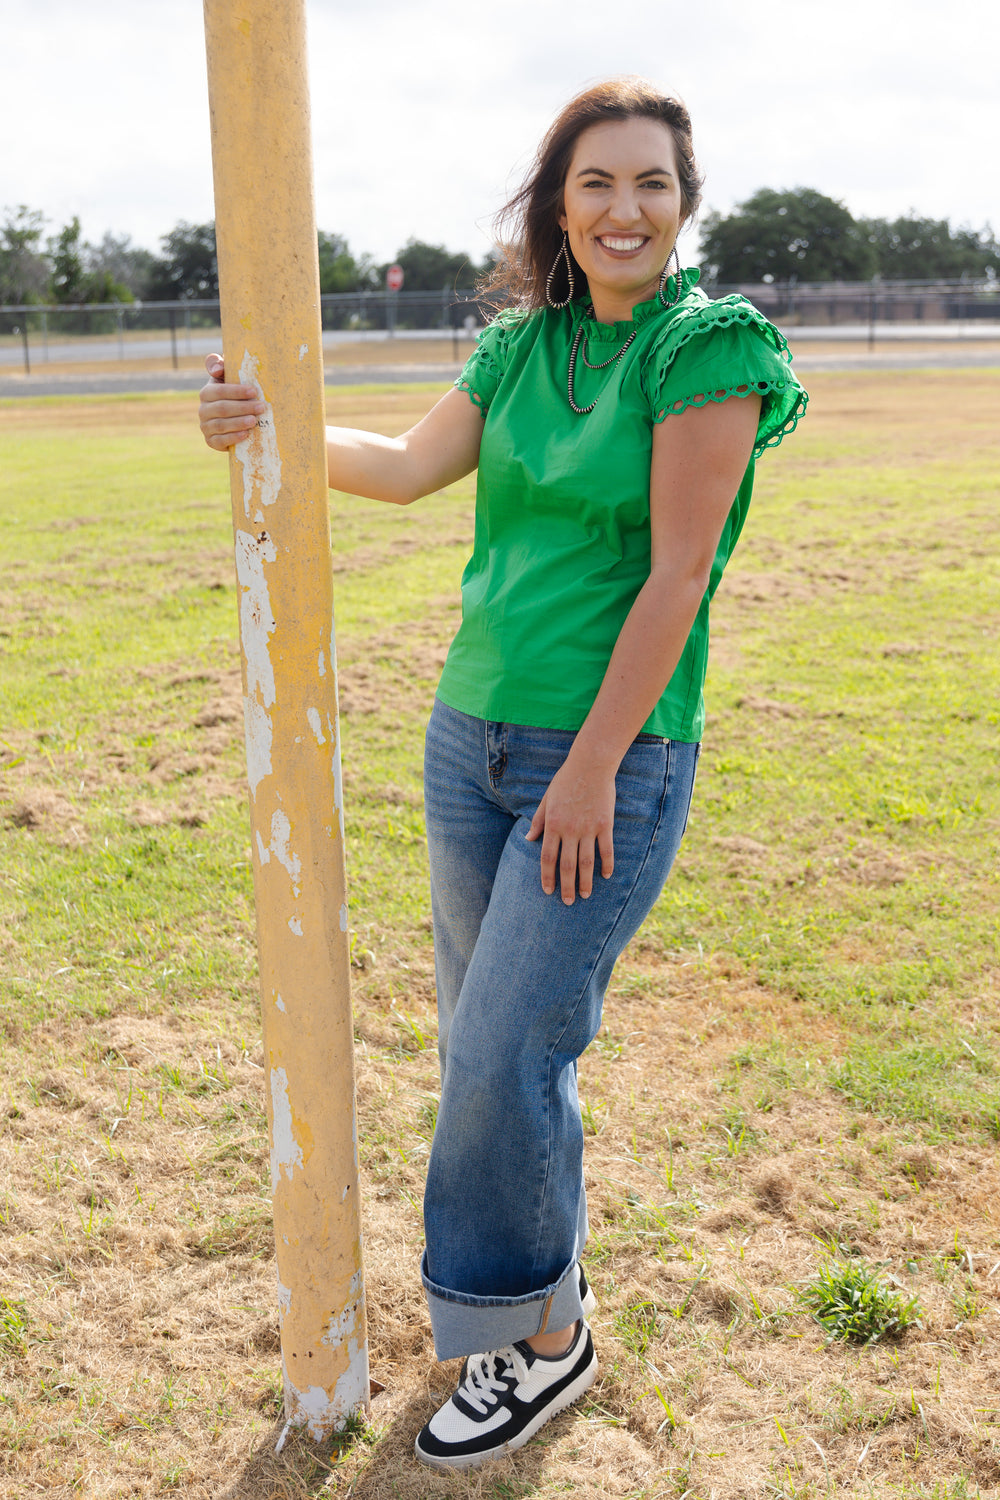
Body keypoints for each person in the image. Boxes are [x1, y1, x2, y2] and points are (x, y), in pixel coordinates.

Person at [199, 76, 807, 1472]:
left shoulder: (707, 349)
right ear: (558, 201)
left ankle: (526, 1347)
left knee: (497, 1053)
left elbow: (676, 581)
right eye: (597, 182)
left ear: (685, 201)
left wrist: (593, 768)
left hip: (607, 758)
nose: (624, 209)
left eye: (652, 183)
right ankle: (553, 1300)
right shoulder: (520, 352)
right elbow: (408, 467)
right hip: (468, 743)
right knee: (501, 1046)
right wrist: (269, 429)